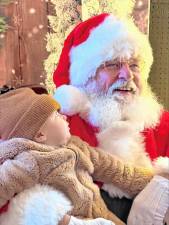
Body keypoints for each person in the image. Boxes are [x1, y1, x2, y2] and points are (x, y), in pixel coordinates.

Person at [52, 13, 169, 224]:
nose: (127, 75)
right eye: (113, 64)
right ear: (86, 76)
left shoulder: (163, 125)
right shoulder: (55, 127)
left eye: (134, 65)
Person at [0, 87, 155, 225]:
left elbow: (110, 166)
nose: (65, 117)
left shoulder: (75, 145)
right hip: (75, 220)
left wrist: (149, 181)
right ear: (40, 134)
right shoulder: (30, 160)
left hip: (101, 212)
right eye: (56, 116)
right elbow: (3, 184)